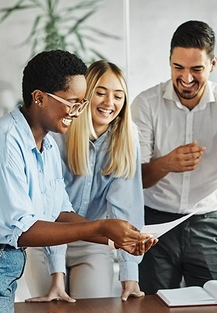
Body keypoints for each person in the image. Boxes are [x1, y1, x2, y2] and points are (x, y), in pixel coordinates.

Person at [0, 50, 155, 313]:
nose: (78, 112)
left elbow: (58, 213)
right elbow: (22, 230)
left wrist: (116, 238)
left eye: (81, 103)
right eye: (72, 102)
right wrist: (100, 227)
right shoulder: (3, 143)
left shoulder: (46, 146)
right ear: (39, 98)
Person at [131, 20, 217, 295]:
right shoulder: (145, 104)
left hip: (207, 223)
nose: (186, 78)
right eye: (178, 67)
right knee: (152, 305)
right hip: (154, 223)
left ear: (213, 65)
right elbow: (135, 179)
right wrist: (167, 163)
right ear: (169, 61)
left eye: (196, 69)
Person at [24, 60, 147, 302]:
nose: (109, 103)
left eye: (118, 96)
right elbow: (52, 210)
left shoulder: (127, 139)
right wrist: (56, 274)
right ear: (83, 97)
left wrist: (129, 275)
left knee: (94, 307)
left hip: (93, 243)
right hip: (46, 242)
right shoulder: (59, 134)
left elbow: (126, 208)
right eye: (100, 93)